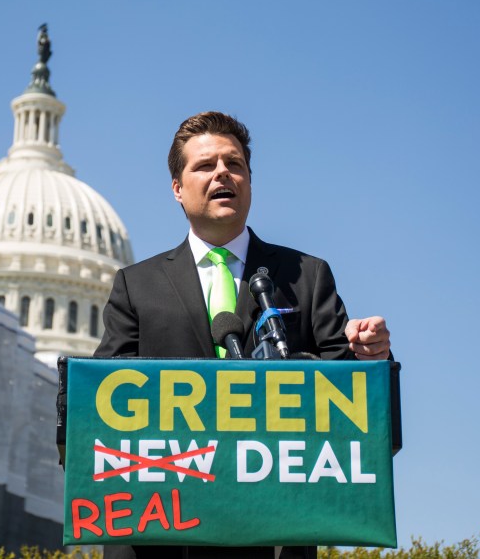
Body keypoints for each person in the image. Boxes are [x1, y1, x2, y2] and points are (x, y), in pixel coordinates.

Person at [94, 111, 391, 559]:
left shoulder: (306, 276)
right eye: (204, 166)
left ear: (249, 180)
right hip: (165, 537)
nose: (222, 174)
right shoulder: (136, 286)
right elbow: (103, 405)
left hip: (275, 533)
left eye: (234, 164)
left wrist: (370, 353)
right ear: (177, 188)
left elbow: (349, 392)